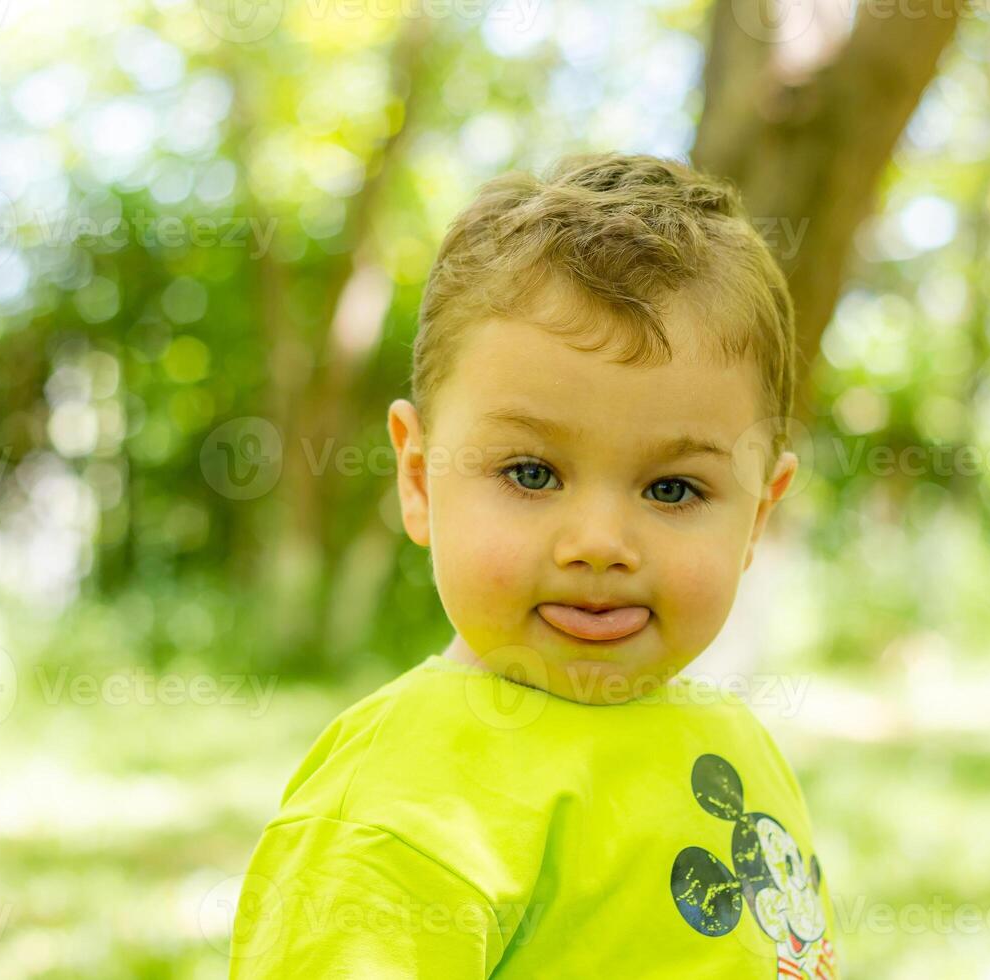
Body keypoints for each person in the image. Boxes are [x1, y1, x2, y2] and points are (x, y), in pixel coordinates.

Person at [229, 152, 841, 978]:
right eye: (530, 473)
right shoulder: (401, 802)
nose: (598, 542)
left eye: (672, 488)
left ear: (757, 517)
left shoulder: (737, 745)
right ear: (419, 479)